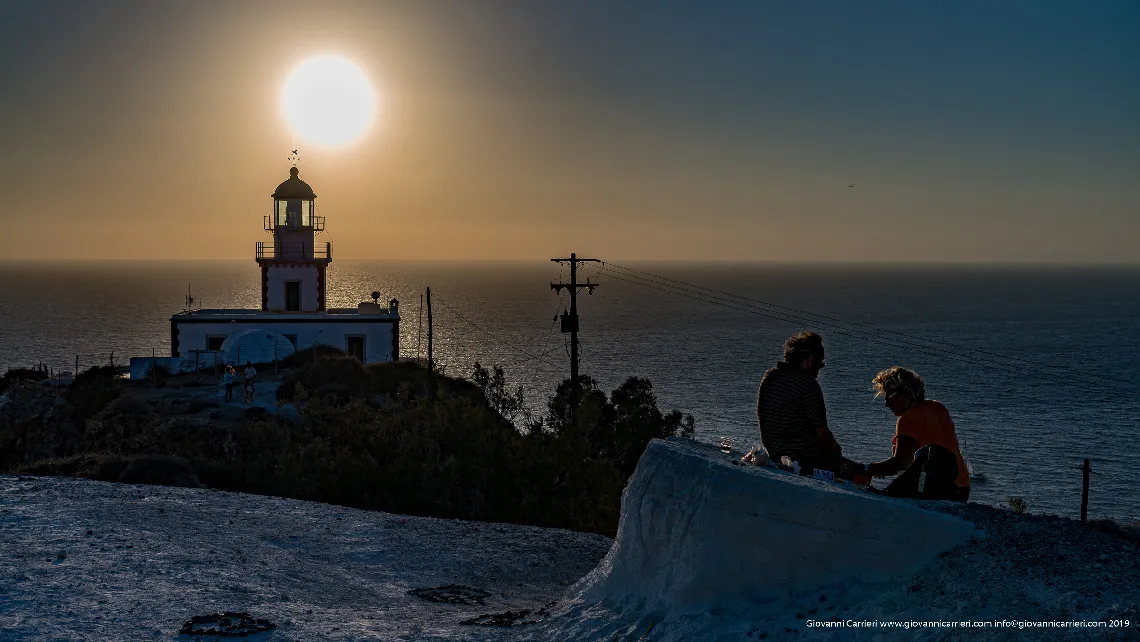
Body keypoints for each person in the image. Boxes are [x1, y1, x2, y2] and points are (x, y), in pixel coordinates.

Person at [840, 367, 970, 501]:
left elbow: (901, 463)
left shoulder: (908, 419)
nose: (886, 403)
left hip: (935, 491)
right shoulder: (938, 408)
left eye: (888, 396)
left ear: (902, 393)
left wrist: (865, 469)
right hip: (960, 489)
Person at [755, 331, 855, 476]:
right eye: (819, 363)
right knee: (856, 470)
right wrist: (836, 453)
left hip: (775, 454)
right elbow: (821, 433)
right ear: (810, 359)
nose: (818, 370)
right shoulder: (807, 384)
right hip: (804, 460)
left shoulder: (770, 377)